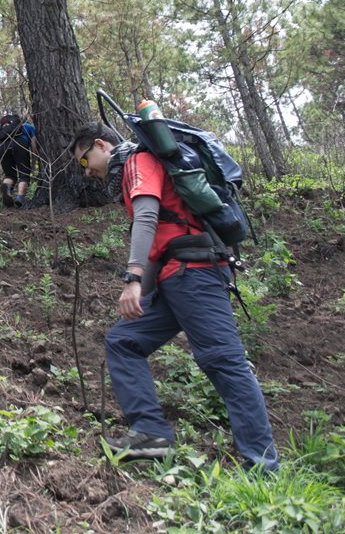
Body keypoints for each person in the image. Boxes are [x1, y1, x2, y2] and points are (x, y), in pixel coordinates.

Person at [69, 122, 278, 469]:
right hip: (175, 277)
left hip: (195, 275)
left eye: (83, 160)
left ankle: (263, 466)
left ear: (102, 145)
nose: (87, 171)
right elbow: (162, 237)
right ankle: (151, 436)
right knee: (124, 340)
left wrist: (132, 278)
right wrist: (144, 290)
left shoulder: (138, 161)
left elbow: (148, 219)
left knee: (224, 362)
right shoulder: (134, 169)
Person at [0, 112, 37, 207]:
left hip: (2, 146)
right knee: (24, 175)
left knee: (10, 175)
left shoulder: (3, 130)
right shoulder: (28, 126)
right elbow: (34, 145)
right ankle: (20, 198)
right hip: (20, 144)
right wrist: (35, 160)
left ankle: (7, 188)